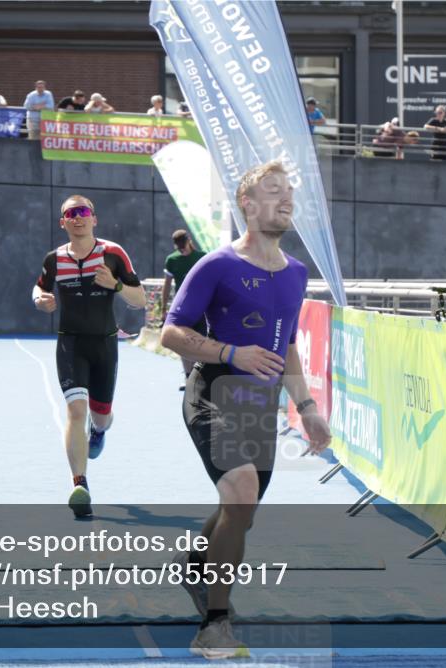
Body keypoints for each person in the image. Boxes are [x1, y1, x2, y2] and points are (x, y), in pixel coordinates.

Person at [160, 160, 332, 659]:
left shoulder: (296, 273)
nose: (285, 199)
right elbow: (171, 333)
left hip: (261, 409)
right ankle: (215, 625)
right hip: (212, 394)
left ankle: (193, 562)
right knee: (241, 490)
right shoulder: (216, 265)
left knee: (241, 513)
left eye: (289, 193)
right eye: (272, 190)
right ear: (248, 206)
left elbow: (289, 346)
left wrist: (307, 406)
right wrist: (230, 353)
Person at [32, 195, 146, 518]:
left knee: (100, 416)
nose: (78, 218)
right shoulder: (54, 259)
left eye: (83, 212)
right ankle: (79, 484)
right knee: (76, 410)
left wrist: (117, 287)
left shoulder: (112, 254)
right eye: (71, 213)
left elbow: (140, 300)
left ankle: (101, 431)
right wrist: (41, 299)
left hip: (105, 346)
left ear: (94, 219)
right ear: (63, 222)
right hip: (70, 343)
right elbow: (38, 288)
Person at [160, 230, 206, 389]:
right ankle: (188, 378)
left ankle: (198, 376)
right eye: (179, 248)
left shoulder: (202, 257)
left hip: (201, 308)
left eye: (184, 246)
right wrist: (163, 308)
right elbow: (166, 286)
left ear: (189, 240)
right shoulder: (172, 260)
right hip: (181, 308)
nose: (182, 249)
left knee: (200, 342)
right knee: (183, 342)